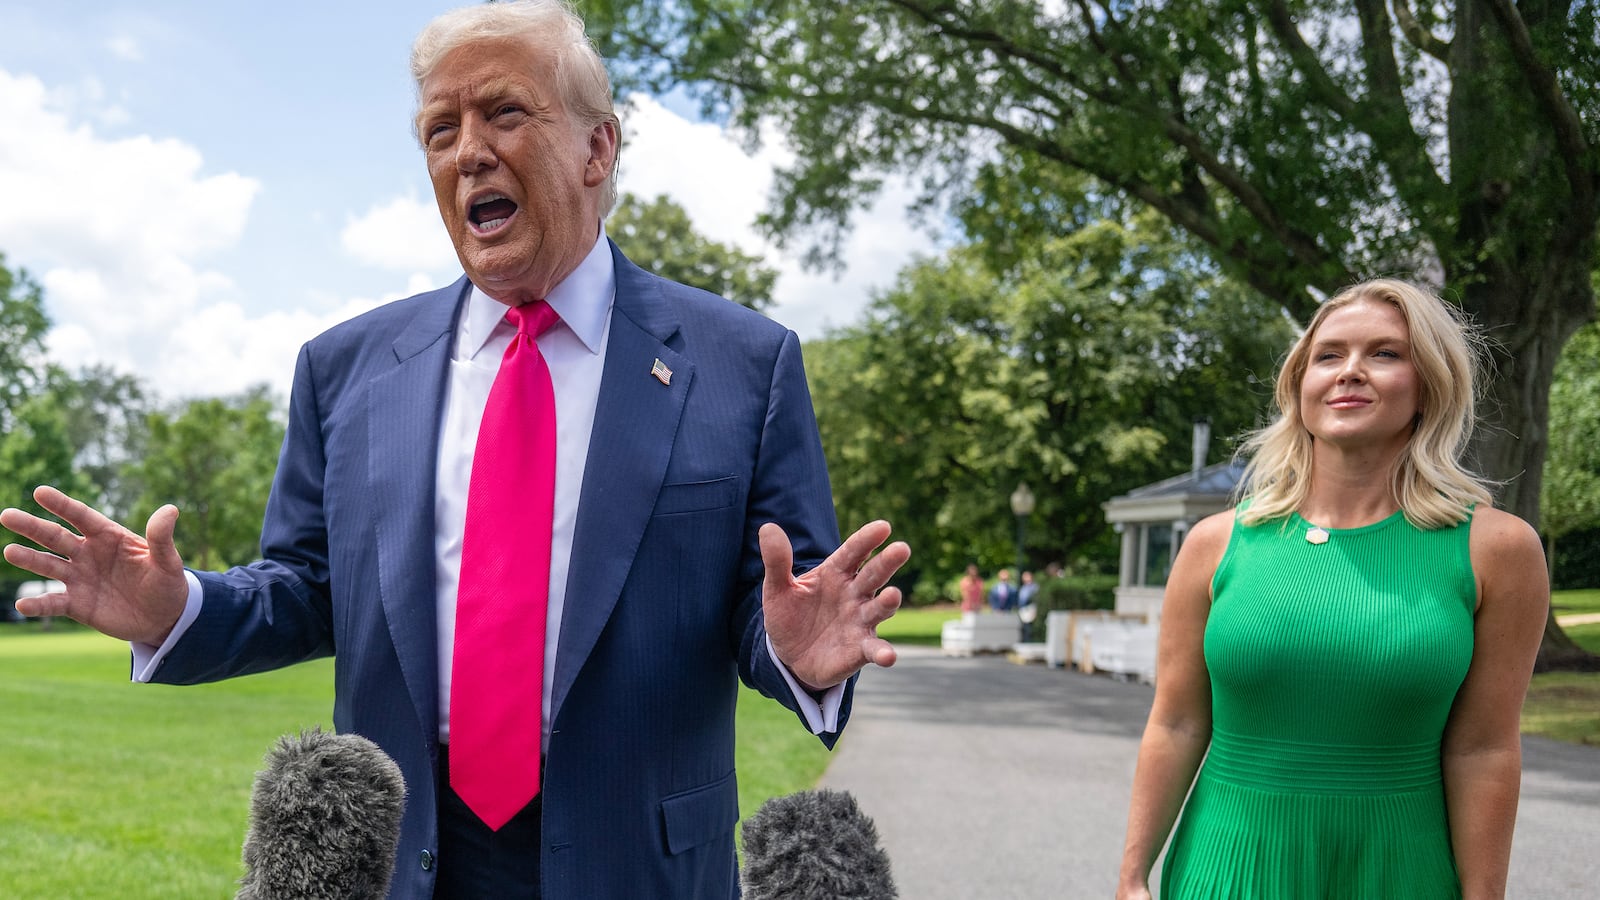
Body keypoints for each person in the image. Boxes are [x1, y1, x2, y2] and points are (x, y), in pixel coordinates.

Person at [0, 3, 908, 898]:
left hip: (641, 859)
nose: (467, 149)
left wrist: (791, 652)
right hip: (400, 856)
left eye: (504, 113)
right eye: (440, 129)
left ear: (598, 150)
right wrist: (181, 609)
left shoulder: (744, 365)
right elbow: (308, 586)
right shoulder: (343, 370)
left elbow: (780, 603)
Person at [1114, 279, 1548, 899]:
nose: (1350, 372)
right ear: (1300, 386)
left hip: (1400, 871)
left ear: (1429, 385)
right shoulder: (1216, 544)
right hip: (1229, 866)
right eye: (1328, 355)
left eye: (1385, 354)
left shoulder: (1496, 550)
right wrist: (1131, 878)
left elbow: (1483, 749)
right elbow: (1178, 722)